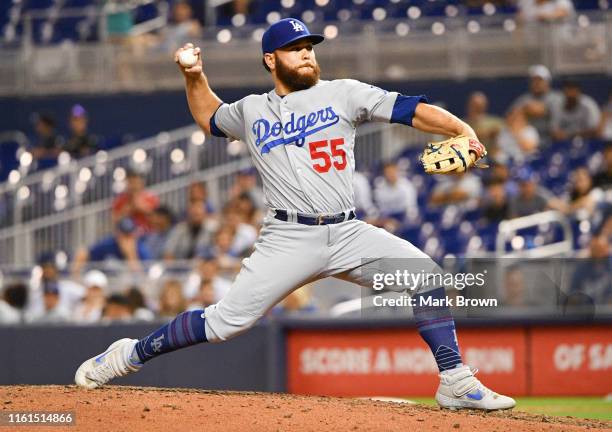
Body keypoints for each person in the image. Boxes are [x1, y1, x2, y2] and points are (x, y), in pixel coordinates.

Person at [75, 18, 514, 411]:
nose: (307, 53)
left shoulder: (344, 92)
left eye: (310, 46)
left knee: (426, 275)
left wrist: (462, 129)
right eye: (295, 47)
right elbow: (209, 117)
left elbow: (411, 109)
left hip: (347, 231)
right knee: (227, 321)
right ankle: (128, 355)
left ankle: (455, 380)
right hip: (287, 237)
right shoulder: (251, 110)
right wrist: (194, 74)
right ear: (271, 59)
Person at [509, 65, 562, 146]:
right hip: (530, 142)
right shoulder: (524, 99)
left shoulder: (556, 98)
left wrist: (542, 110)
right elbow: (510, 118)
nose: (536, 83)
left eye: (540, 80)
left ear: (547, 82)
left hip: (552, 141)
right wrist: (524, 110)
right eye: (533, 80)